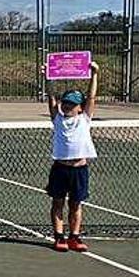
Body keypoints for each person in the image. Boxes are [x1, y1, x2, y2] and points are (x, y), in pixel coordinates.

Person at [46, 61, 99, 253]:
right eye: (66, 102)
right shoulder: (57, 118)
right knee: (58, 202)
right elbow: (51, 97)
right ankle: (59, 237)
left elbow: (92, 97)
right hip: (60, 168)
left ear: (80, 107)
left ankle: (74, 237)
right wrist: (48, 77)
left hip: (79, 169)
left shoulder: (84, 119)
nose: (67, 106)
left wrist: (94, 74)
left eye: (72, 104)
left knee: (76, 204)